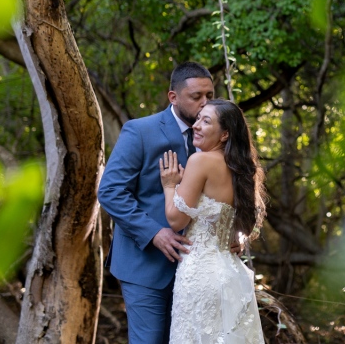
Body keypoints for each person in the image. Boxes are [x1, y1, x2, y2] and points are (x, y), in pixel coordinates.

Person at [98, 62, 214, 343]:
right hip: (145, 265)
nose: (205, 103)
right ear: (173, 97)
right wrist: (154, 233)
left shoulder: (217, 137)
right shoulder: (140, 131)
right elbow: (110, 190)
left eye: (210, 95)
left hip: (199, 268)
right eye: (196, 96)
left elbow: (228, 194)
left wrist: (236, 232)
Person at [159, 98, 266, 343]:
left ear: (224, 134)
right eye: (198, 119)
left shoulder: (201, 161)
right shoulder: (240, 170)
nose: (196, 125)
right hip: (229, 274)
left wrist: (169, 185)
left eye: (206, 121)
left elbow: (176, 221)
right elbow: (248, 220)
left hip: (200, 275)